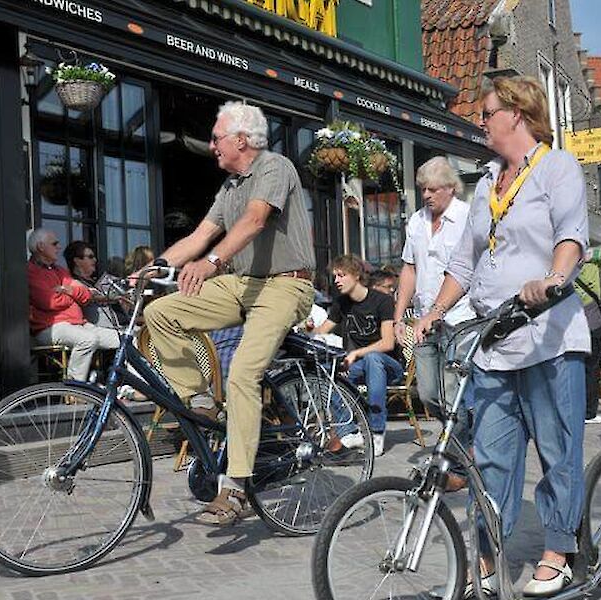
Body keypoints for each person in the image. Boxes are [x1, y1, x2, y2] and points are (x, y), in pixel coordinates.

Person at [415, 75, 589, 596]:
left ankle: (557, 551)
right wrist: (434, 312)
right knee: (490, 460)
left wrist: (553, 280)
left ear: (517, 113)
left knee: (558, 450)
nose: (481, 122)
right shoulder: (487, 180)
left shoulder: (557, 167)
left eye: (487, 113)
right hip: (494, 342)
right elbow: (464, 262)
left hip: (549, 335)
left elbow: (571, 235)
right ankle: (487, 562)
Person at [142, 101, 315, 527]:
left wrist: (212, 262)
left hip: (285, 283)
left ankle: (235, 487)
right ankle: (200, 399)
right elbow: (200, 235)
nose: (212, 145)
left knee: (241, 373)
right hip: (242, 284)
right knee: (161, 312)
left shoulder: (274, 167)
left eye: (216, 137)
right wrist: (148, 270)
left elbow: (256, 221)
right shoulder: (231, 187)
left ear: (242, 139)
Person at [393, 156, 476, 489]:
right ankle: (469, 446)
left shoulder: (468, 218)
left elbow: (471, 270)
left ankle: (457, 467)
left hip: (460, 317)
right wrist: (399, 314)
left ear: (451, 188)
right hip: (425, 319)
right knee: (428, 393)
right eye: (422, 189)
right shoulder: (416, 221)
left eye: (432, 189)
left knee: (453, 391)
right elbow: (409, 269)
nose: (426, 195)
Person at [313, 254, 403, 457]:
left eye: (341, 275)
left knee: (373, 359)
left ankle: (377, 432)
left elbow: (388, 343)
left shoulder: (382, 301)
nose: (336, 280)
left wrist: (355, 353)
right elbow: (323, 329)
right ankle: (350, 431)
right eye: (334, 276)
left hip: (390, 366)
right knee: (326, 371)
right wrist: (306, 330)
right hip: (361, 365)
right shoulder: (341, 302)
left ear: (355, 275)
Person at [28, 229, 120, 382]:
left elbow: (85, 296)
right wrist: (72, 295)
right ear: (40, 247)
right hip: (50, 328)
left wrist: (67, 291)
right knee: (87, 339)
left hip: (78, 325)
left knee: (126, 339)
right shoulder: (31, 271)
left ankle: (136, 386)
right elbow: (50, 302)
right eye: (54, 244)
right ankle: (75, 390)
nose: (59, 247)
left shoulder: (60, 270)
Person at [575, 255, 601, 425]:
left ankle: (571, 410)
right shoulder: (597, 272)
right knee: (592, 370)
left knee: (572, 369)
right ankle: (589, 412)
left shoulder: (564, 273)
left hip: (572, 327)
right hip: (595, 325)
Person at [63, 240, 126, 330]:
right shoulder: (75, 283)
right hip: (104, 328)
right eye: (90, 257)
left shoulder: (98, 281)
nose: (95, 260)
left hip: (121, 325)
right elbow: (90, 295)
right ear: (77, 261)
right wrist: (114, 297)